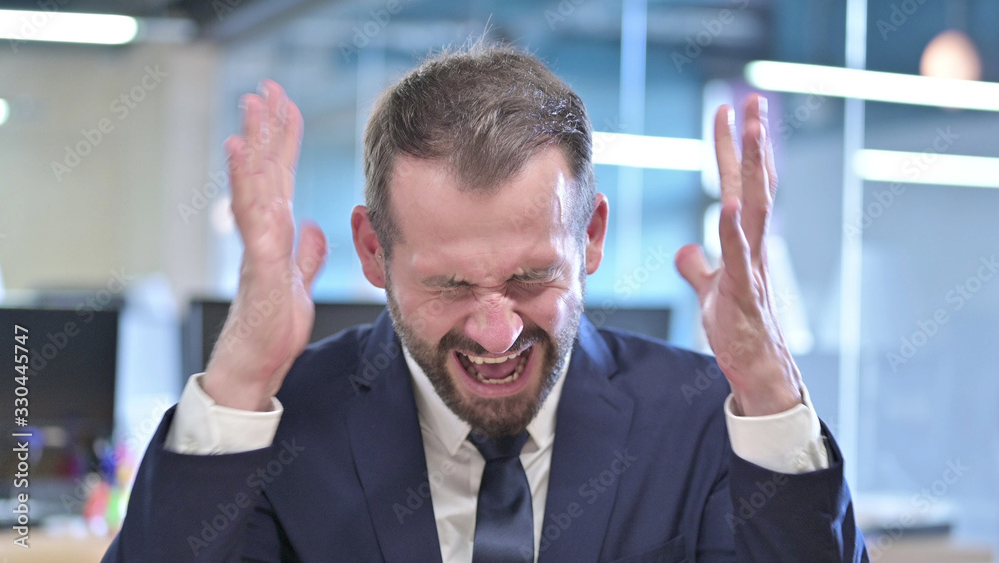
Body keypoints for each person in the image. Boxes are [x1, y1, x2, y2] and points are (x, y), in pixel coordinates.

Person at [104, 43, 868, 562]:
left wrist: (769, 388)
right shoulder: (287, 426)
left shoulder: (704, 421)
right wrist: (237, 378)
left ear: (591, 236)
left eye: (531, 276)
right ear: (373, 251)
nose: (497, 330)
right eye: (449, 284)